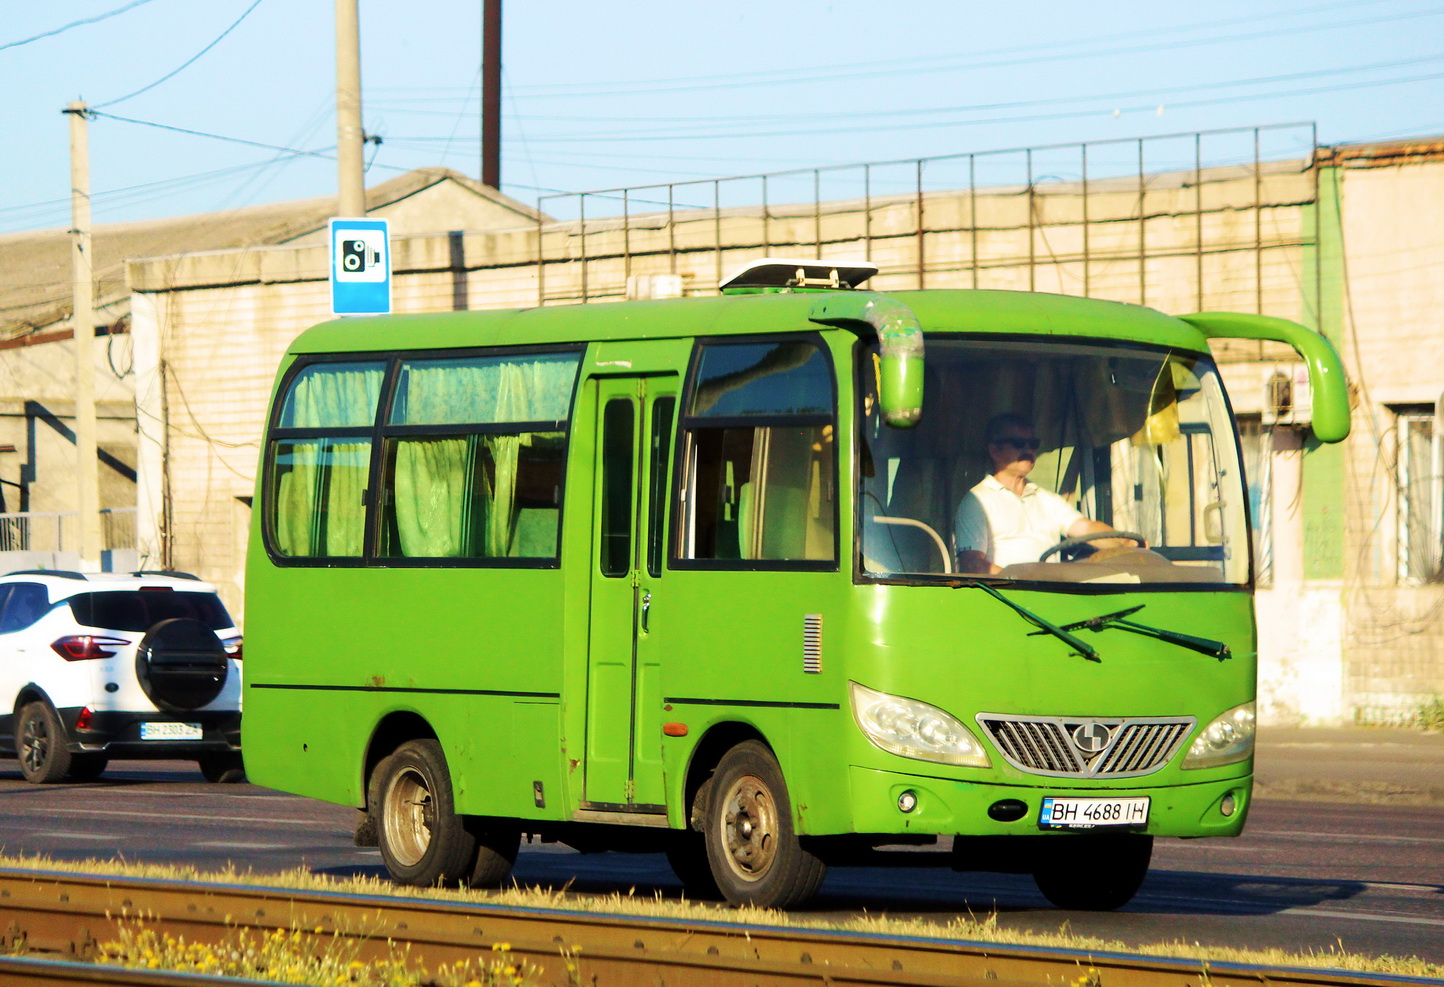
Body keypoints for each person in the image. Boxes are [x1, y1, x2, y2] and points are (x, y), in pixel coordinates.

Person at [955, 413, 1136, 574]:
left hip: (1051, 595)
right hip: (1005, 598)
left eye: (1033, 444)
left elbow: (1087, 529)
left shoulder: (1046, 499)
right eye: (1018, 443)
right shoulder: (978, 501)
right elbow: (972, 565)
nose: (1028, 450)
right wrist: (1025, 582)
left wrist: (1126, 543)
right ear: (994, 450)